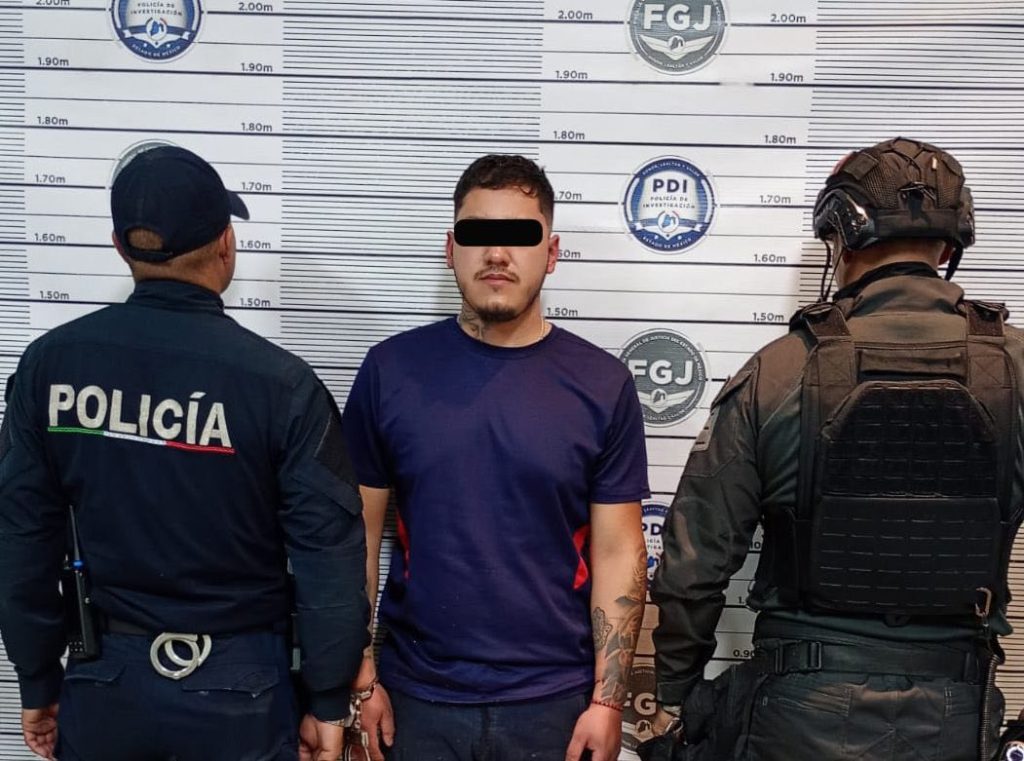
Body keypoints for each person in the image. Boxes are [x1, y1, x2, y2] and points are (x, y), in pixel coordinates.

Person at [648, 137, 1021, 761]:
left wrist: (675, 695)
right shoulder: (1015, 369)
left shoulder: (778, 371)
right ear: (948, 248)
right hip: (955, 719)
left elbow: (694, 565)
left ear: (841, 239)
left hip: (794, 716)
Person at [0, 145, 370, 761]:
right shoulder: (281, 386)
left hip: (105, 682)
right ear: (226, 244)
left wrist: (37, 678)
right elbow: (327, 556)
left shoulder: (49, 367)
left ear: (120, 247)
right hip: (243, 689)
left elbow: (20, 539)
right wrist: (328, 700)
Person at [341, 154, 650, 761]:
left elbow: (619, 552)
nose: (498, 254)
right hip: (414, 701)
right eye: (479, 233)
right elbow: (356, 537)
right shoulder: (390, 371)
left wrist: (609, 701)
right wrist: (361, 678)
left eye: (520, 236)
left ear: (551, 253)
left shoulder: (602, 384)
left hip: (555, 707)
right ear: (451, 248)